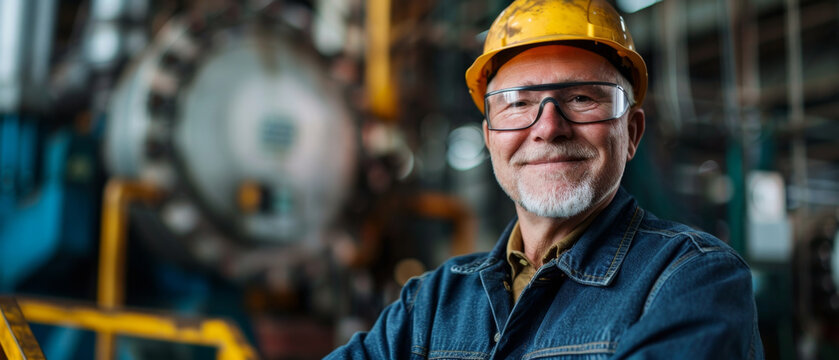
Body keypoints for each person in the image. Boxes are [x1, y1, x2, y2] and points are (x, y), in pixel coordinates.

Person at [327, 0, 764, 358]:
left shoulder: (692, 279)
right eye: (518, 103)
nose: (548, 127)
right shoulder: (430, 304)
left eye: (581, 98)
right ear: (490, 138)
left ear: (631, 133)